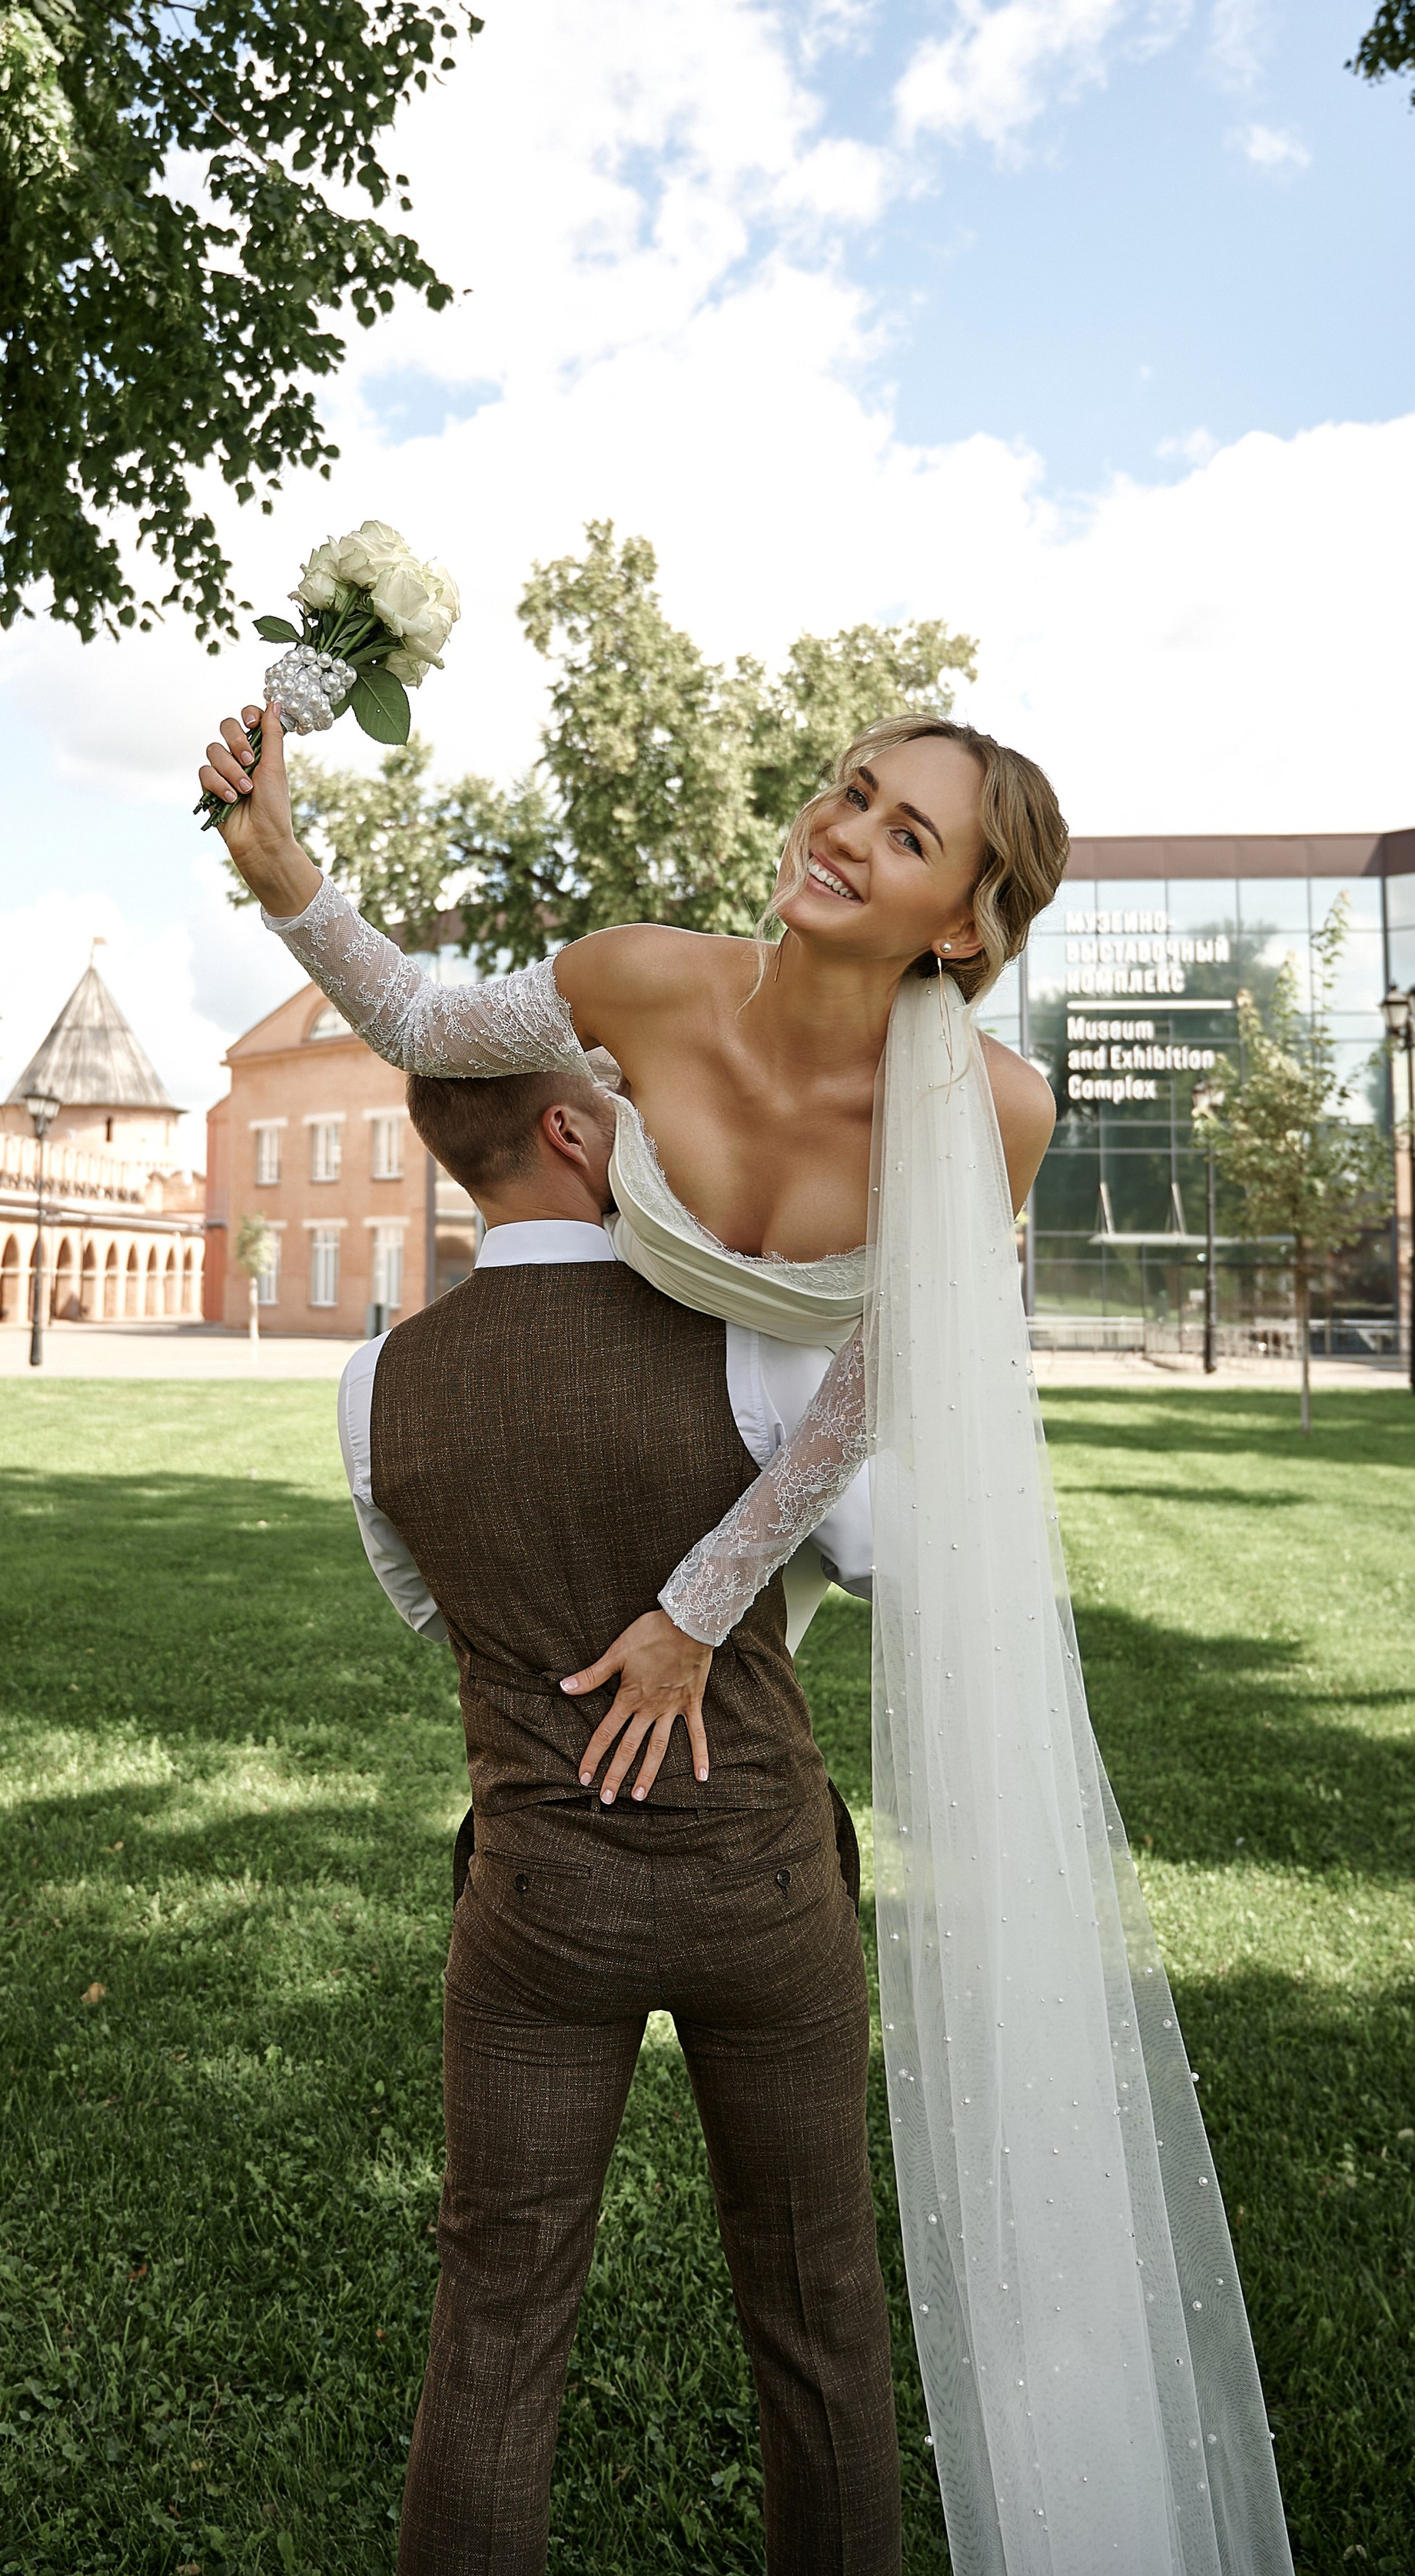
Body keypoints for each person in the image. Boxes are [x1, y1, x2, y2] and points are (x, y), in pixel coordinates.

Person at [201, 696, 1294, 2576]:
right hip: (716, 1696)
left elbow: (879, 1377)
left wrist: (695, 1611)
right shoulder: (640, 977)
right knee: (799, 2298)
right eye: (849, 792)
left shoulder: (993, 1110)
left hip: (696, 1632)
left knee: (546, 2299)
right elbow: (426, 1028)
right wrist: (286, 872)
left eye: (904, 832)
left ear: (964, 919)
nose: (842, 831)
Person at [337, 1064, 896, 2574]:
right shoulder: (753, 1334)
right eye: (617, 1096)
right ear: (571, 1132)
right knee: (819, 2311)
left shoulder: (378, 1380)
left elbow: (436, 1608)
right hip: (761, 1889)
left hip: (535, 1907)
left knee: (495, 2320)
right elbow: (888, 1555)